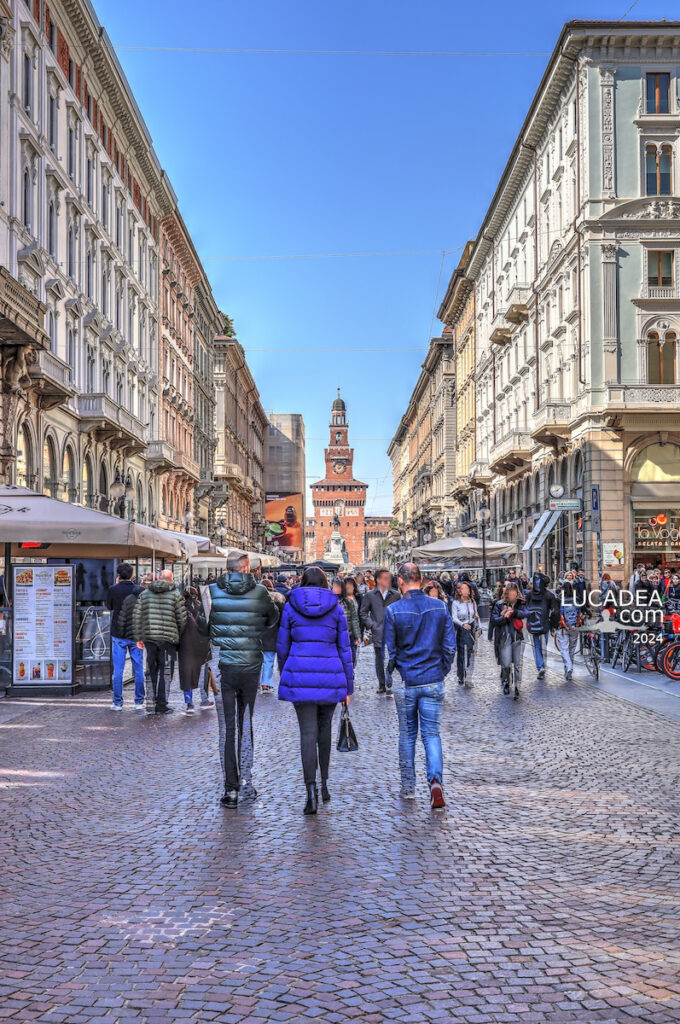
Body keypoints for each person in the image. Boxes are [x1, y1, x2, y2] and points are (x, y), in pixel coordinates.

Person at [197, 551, 278, 809]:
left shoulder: (210, 592)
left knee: (226, 727)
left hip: (222, 667)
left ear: (227, 568)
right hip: (251, 664)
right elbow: (272, 620)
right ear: (245, 569)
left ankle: (229, 789)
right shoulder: (260, 593)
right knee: (245, 721)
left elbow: (203, 628)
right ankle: (246, 781)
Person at [277, 566, 354, 815]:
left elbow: (282, 647)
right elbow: (345, 650)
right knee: (324, 732)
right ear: (325, 583)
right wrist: (348, 686)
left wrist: (286, 672)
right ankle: (324, 784)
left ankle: (310, 791)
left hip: (300, 673)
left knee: (307, 734)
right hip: (330, 674)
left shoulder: (291, 606)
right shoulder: (336, 608)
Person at [383, 563, 455, 809]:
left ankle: (408, 787)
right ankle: (435, 781)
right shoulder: (440, 606)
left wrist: (392, 675)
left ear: (400, 582)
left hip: (408, 680)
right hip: (433, 678)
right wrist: (441, 671)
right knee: (432, 734)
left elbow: (389, 652)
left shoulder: (393, 610)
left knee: (407, 735)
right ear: (422, 580)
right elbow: (450, 648)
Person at [132, 569, 187, 715]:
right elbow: (182, 619)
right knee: (166, 671)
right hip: (168, 640)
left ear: (158, 578)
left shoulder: (145, 594)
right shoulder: (175, 595)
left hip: (149, 638)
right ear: (171, 580)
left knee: (152, 670)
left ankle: (151, 703)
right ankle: (162, 704)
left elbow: (137, 617)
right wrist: (179, 636)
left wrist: (138, 637)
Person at [107, 563, 144, 711]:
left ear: (118, 575)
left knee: (118, 670)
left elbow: (109, 606)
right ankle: (139, 701)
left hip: (118, 633)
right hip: (136, 633)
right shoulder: (139, 590)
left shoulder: (113, 589)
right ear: (132, 575)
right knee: (139, 668)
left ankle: (117, 702)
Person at [360, 567, 401, 695]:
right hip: (378, 631)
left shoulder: (396, 595)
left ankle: (389, 672)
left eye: (389, 578)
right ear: (377, 580)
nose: (388, 580)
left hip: (393, 631)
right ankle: (381, 684)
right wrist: (371, 625)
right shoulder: (370, 595)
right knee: (379, 659)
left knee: (394, 657)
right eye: (385, 578)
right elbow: (363, 612)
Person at [178, 586, 212, 714]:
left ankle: (189, 703)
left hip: (185, 646)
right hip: (202, 644)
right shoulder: (203, 608)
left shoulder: (180, 609)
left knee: (186, 674)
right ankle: (205, 700)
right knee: (203, 673)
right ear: (196, 596)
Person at [490, 582, 527, 699]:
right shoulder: (499, 604)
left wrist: (514, 612)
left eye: (514, 593)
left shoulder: (521, 603)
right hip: (504, 637)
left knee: (517, 664)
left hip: (517, 637)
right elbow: (494, 620)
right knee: (505, 664)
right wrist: (504, 617)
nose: (512, 596)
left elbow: (526, 613)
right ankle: (506, 681)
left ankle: (517, 686)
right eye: (510, 593)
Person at [524, 568, 558, 679]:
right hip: (545, 624)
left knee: (537, 646)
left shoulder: (529, 594)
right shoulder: (549, 595)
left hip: (533, 623)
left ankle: (540, 667)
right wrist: (554, 627)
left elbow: (526, 608)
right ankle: (541, 666)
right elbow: (555, 612)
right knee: (543, 646)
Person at [450, 581, 479, 686]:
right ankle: (461, 675)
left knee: (470, 652)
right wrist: (462, 624)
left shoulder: (472, 602)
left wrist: (478, 627)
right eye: (463, 589)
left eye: (467, 589)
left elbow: (476, 615)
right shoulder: (456, 603)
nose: (465, 591)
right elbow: (454, 617)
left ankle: (469, 675)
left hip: (471, 628)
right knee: (462, 653)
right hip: (461, 630)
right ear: (460, 591)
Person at [260, 580, 285, 693]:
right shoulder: (279, 602)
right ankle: (267, 683)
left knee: (262, 661)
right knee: (272, 660)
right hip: (275, 634)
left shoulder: (257, 603)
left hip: (260, 634)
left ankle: (264, 683)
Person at [556, 578, 582, 682]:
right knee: (571, 649)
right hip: (574, 627)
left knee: (564, 649)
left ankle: (569, 667)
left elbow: (560, 613)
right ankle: (568, 669)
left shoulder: (560, 600)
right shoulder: (576, 599)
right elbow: (579, 611)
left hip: (564, 627)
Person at [336, 577, 362, 665]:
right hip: (339, 633)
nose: (349, 588)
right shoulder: (336, 601)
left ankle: (351, 672)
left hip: (350, 632)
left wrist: (358, 635)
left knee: (352, 656)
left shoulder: (355, 599)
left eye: (351, 586)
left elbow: (355, 618)